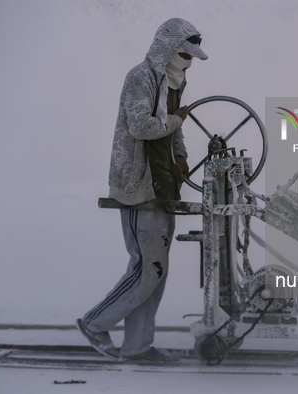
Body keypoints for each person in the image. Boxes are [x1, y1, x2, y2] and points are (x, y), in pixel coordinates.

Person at [76, 18, 207, 363]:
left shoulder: (173, 81)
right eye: (184, 52)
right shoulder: (141, 78)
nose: (188, 59)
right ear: (167, 47)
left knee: (156, 273)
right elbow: (141, 126)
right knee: (146, 269)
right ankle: (93, 322)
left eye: (191, 55)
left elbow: (173, 129)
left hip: (165, 186)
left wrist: (180, 157)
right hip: (139, 185)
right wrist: (178, 119)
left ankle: (137, 345)